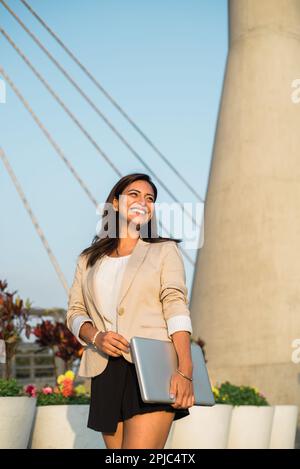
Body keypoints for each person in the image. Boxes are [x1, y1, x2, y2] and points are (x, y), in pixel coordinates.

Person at [66, 172, 195, 449]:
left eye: (149, 198)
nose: (143, 202)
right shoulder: (88, 260)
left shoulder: (164, 251)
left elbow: (176, 306)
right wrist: (95, 336)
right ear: (115, 202)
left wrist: (185, 369)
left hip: (152, 366)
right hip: (105, 370)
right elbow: (75, 311)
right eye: (134, 194)